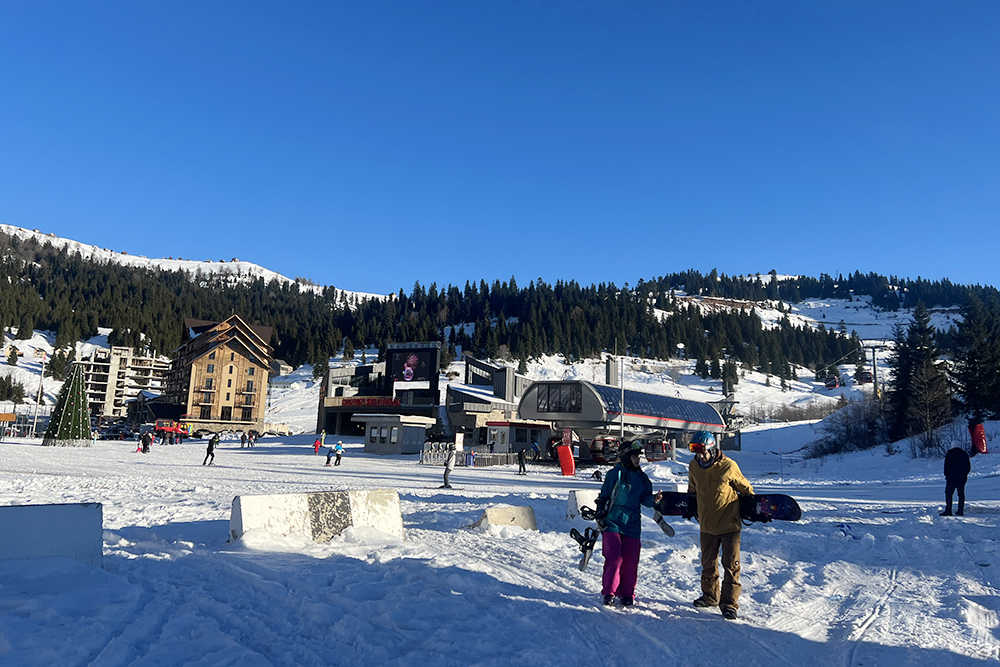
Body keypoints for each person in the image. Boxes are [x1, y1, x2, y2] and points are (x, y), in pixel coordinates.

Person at [688, 430, 754, 620]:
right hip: (707, 524)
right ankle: (710, 597)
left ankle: (729, 604)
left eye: (701, 451)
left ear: (711, 448)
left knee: (731, 565)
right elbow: (692, 488)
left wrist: (751, 506)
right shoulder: (694, 466)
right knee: (707, 563)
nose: (699, 455)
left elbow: (746, 489)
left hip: (729, 525)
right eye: (695, 450)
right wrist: (691, 505)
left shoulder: (728, 466)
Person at [594, 441, 661, 607]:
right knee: (615, 558)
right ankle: (609, 592)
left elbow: (645, 498)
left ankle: (626, 592)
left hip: (632, 523)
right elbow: (604, 496)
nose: (638, 459)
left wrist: (654, 500)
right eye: (634, 456)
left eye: (639, 456)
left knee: (631, 559)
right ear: (625, 457)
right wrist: (600, 512)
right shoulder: (613, 475)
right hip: (612, 521)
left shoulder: (642, 478)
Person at [941, 446, 974, 516]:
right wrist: (964, 474)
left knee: (949, 494)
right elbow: (968, 467)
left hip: (951, 478)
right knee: (961, 493)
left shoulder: (950, 453)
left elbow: (946, 466)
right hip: (961, 478)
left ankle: (948, 510)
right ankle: (960, 510)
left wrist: (947, 475)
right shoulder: (964, 454)